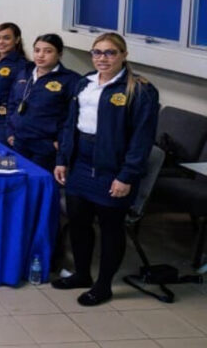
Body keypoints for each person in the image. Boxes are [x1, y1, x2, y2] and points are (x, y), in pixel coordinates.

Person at [53, 33, 159, 306]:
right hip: (80, 162)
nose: (103, 58)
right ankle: (82, 274)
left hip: (113, 168)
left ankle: (103, 285)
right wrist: (62, 159)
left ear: (124, 55)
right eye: (97, 52)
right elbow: (70, 125)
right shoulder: (85, 82)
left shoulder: (140, 90)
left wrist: (127, 176)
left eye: (110, 53)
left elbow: (142, 140)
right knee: (79, 222)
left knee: (111, 228)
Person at [6, 34, 80, 171]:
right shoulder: (25, 72)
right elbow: (12, 103)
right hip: (19, 141)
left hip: (45, 146)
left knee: (38, 180)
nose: (40, 55)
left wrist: (61, 143)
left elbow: (71, 117)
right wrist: (10, 131)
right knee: (16, 179)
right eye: (37, 50)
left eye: (48, 51)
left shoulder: (71, 80)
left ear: (60, 54)